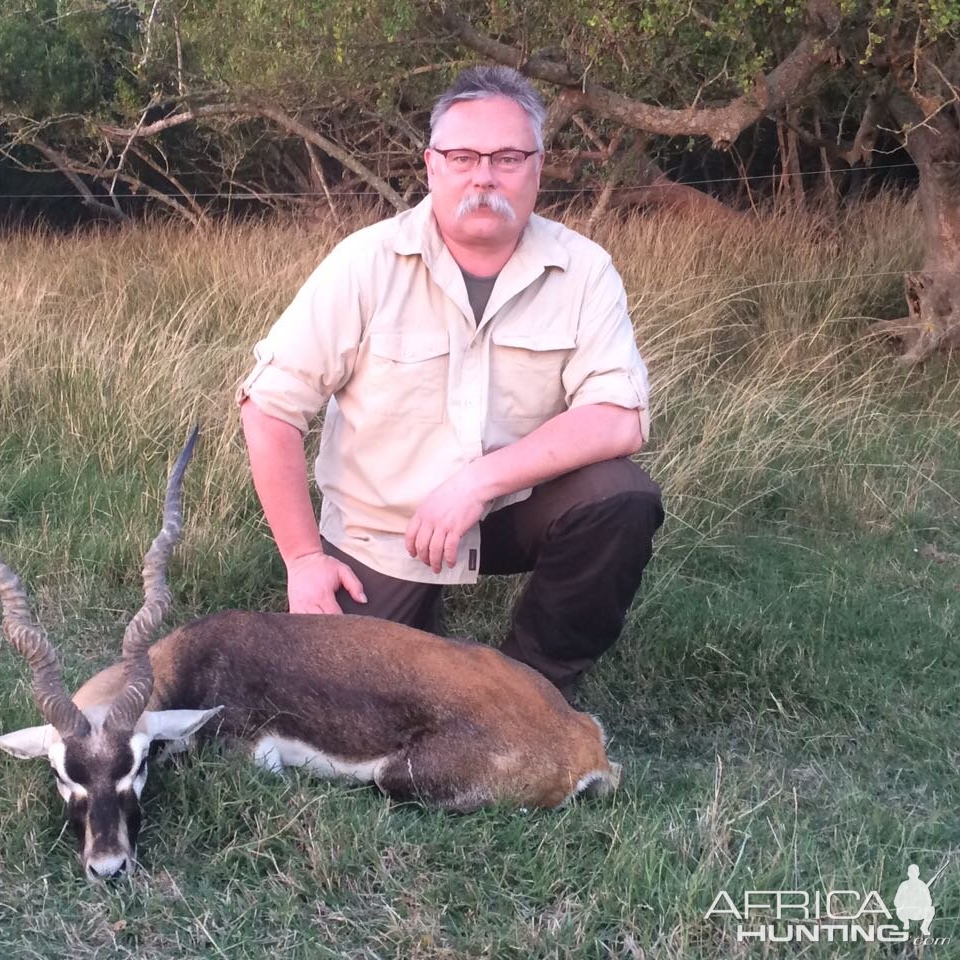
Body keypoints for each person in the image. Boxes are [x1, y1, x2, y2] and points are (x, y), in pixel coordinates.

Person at [236, 65, 664, 697]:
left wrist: (477, 481)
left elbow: (618, 415)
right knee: (358, 703)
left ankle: (534, 684)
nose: (484, 176)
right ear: (432, 165)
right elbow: (269, 407)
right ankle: (408, 618)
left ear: (538, 168)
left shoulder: (585, 270)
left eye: (508, 157)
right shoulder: (366, 263)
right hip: (383, 529)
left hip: (506, 513)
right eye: (463, 156)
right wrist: (303, 560)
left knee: (620, 495)